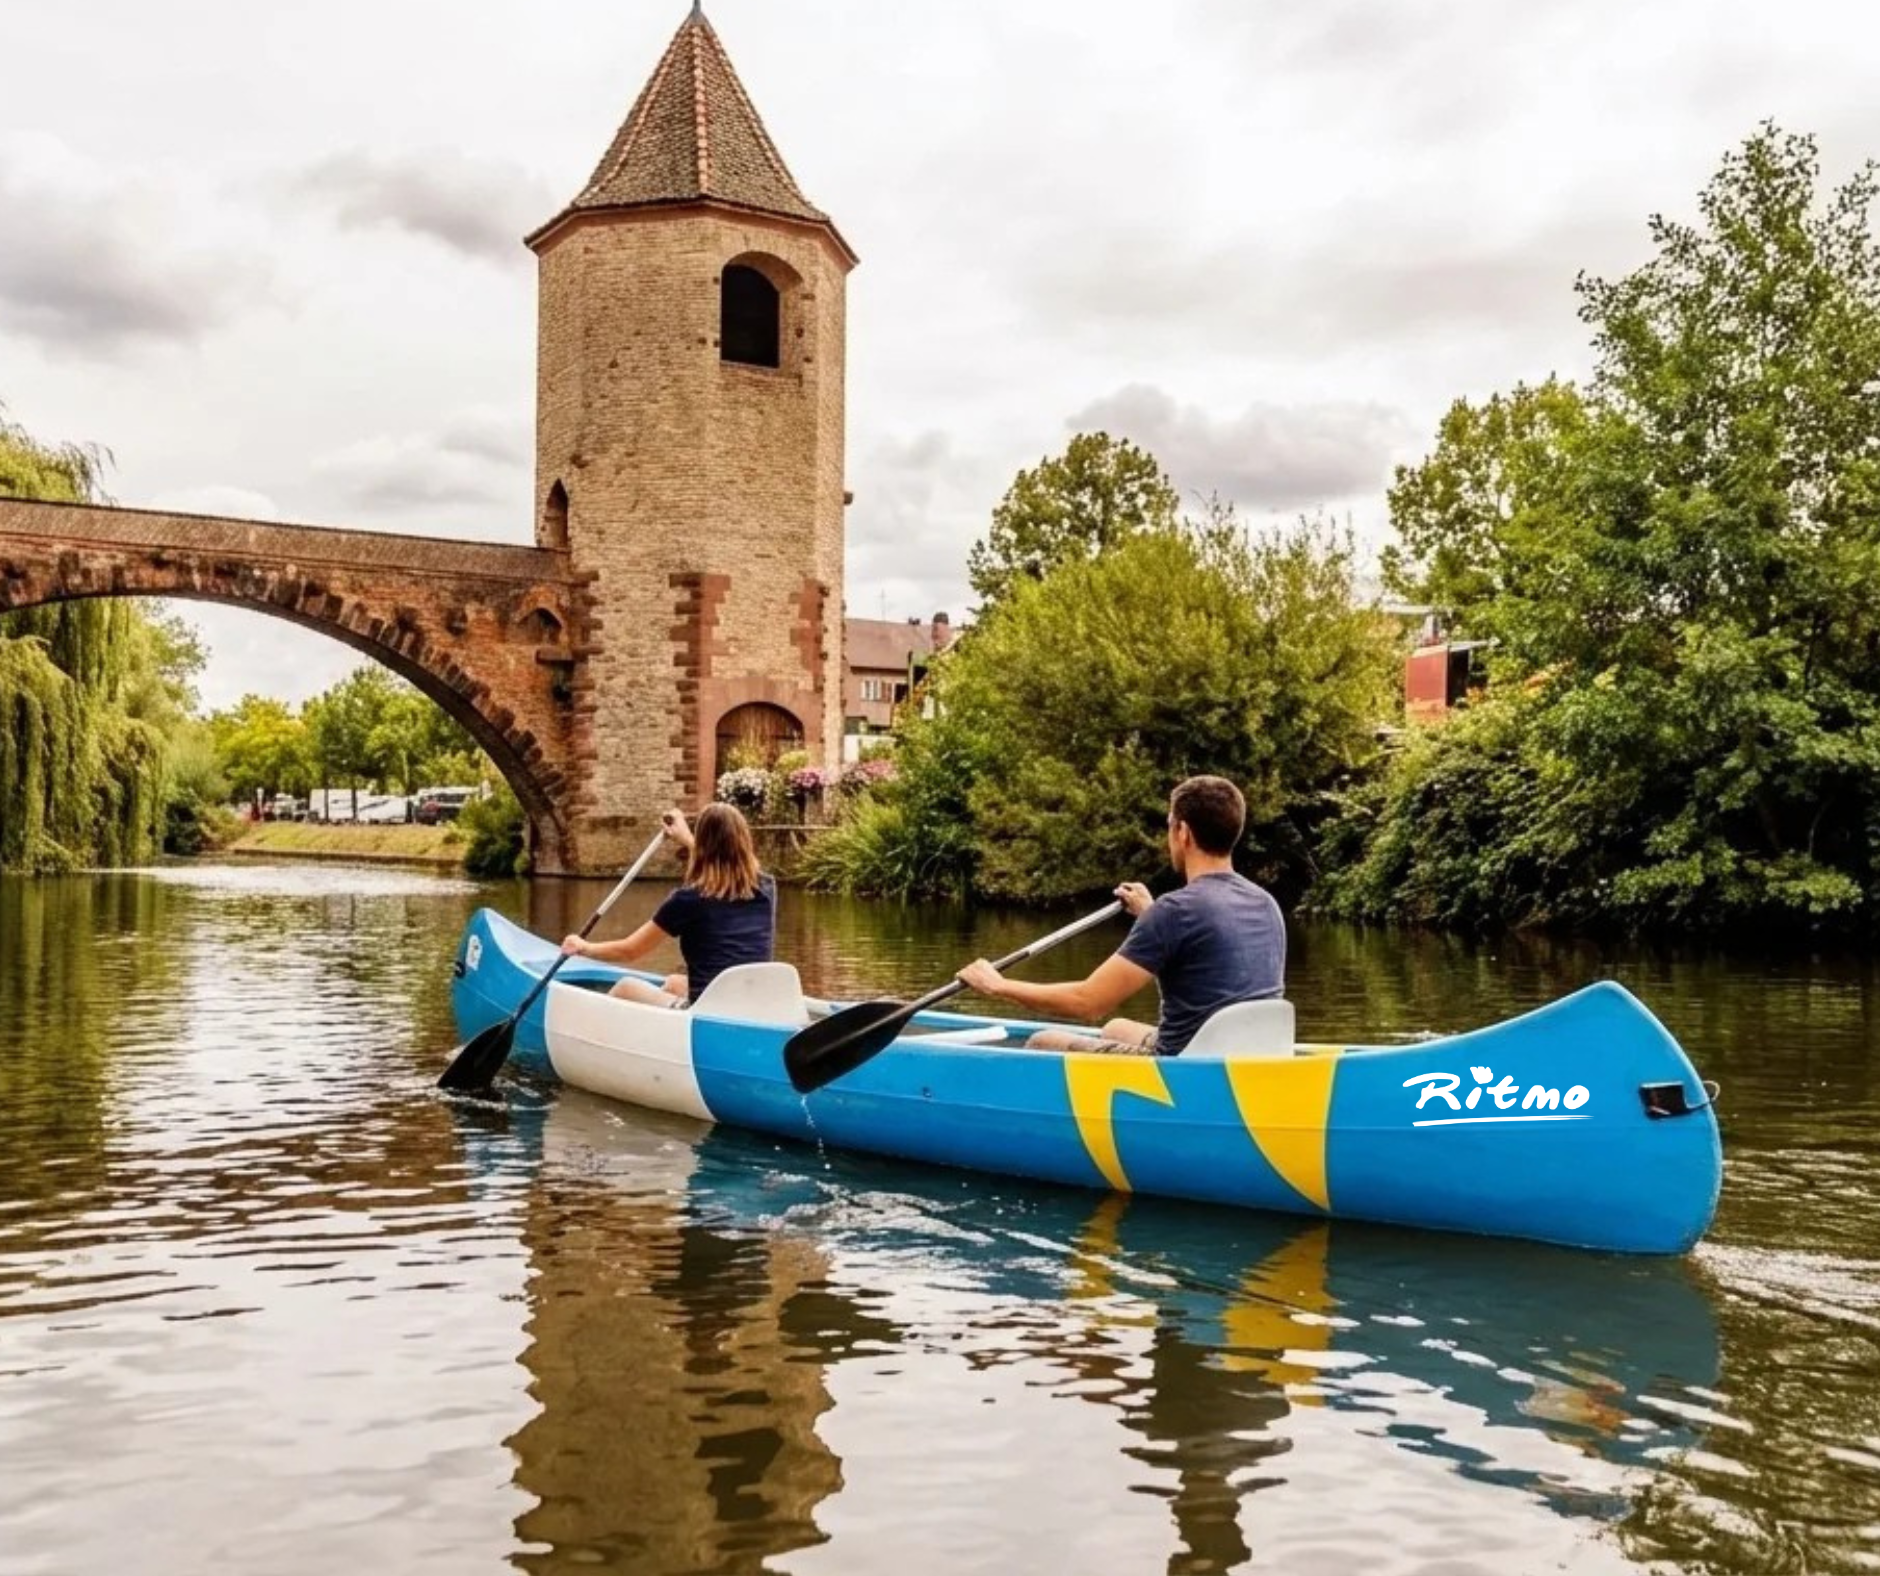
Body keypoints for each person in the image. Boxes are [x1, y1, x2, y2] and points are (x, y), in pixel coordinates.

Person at [957, 775, 1284, 1055]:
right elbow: (1202, 951)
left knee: (1043, 1041)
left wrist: (998, 986)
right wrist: (1151, 913)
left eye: (1169, 825)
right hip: (1249, 1058)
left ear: (1182, 832)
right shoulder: (1266, 903)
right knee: (1116, 1027)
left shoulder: (1175, 911)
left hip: (1181, 1067)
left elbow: (1089, 1002)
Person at [561, 804, 776, 1008]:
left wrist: (583, 947)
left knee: (626, 987)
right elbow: (725, 860)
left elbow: (630, 951)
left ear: (703, 846)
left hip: (707, 1014)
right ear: (745, 842)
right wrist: (688, 840)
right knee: (674, 983)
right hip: (751, 1005)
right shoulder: (767, 887)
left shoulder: (688, 900)